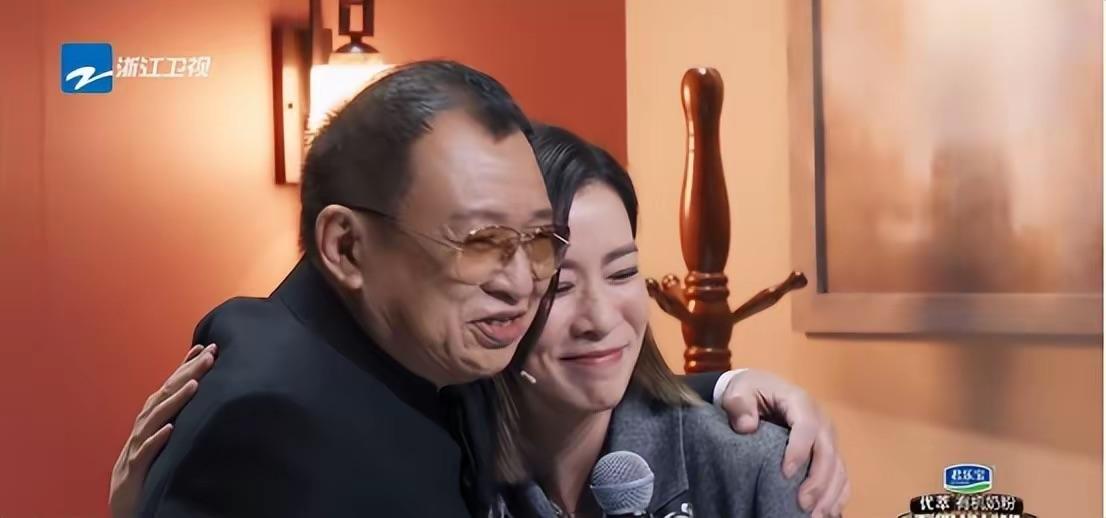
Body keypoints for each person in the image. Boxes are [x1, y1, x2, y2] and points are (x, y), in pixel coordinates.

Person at [115, 60, 847, 517]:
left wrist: (726, 385)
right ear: (347, 247)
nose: (522, 281)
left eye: (537, 242)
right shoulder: (275, 425)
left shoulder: (425, 359)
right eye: (481, 242)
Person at [494, 125, 825, 517]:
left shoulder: (757, 466)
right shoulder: (449, 471)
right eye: (559, 286)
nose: (601, 319)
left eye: (622, 273)